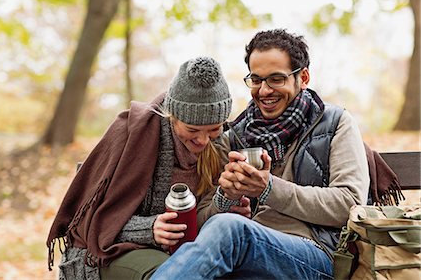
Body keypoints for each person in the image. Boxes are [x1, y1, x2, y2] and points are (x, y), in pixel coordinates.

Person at [151, 29, 371, 280]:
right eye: (256, 80)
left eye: (276, 79)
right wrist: (226, 197)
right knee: (227, 233)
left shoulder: (335, 123)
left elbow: (351, 204)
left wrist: (268, 189)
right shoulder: (234, 136)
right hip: (250, 255)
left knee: (231, 230)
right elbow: (202, 224)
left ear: (304, 77)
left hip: (318, 256)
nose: (264, 90)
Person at [46, 56, 247, 280]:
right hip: (108, 251)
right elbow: (91, 219)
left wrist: (227, 201)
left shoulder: (220, 148)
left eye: (213, 129)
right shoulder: (131, 133)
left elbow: (196, 221)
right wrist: (149, 229)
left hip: (181, 249)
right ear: (172, 117)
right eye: (192, 130)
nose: (203, 140)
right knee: (174, 272)